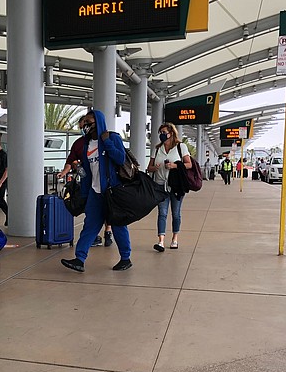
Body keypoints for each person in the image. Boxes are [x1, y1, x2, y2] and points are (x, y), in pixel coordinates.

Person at [60, 109, 132, 273]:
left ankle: (125, 258)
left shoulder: (112, 138)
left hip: (112, 191)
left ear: (97, 122)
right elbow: (87, 171)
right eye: (84, 122)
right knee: (90, 225)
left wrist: (106, 142)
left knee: (118, 225)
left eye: (88, 122)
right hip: (94, 191)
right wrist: (83, 188)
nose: (85, 125)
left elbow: (120, 158)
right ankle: (79, 259)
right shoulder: (86, 144)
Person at [58, 116, 114, 247]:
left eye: (87, 124)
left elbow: (117, 157)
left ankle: (108, 231)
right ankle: (89, 243)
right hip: (89, 184)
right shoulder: (79, 143)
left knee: (109, 210)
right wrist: (65, 172)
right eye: (82, 126)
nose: (85, 128)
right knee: (91, 213)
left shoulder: (105, 139)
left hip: (106, 184)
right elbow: (70, 160)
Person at [147, 123, 193, 252]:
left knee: (176, 213)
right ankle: (161, 241)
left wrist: (175, 166)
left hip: (176, 186)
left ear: (171, 133)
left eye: (164, 132)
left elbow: (189, 164)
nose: (162, 135)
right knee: (162, 213)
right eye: (160, 132)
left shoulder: (180, 147)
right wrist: (155, 168)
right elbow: (149, 167)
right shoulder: (157, 149)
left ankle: (174, 238)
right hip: (160, 185)